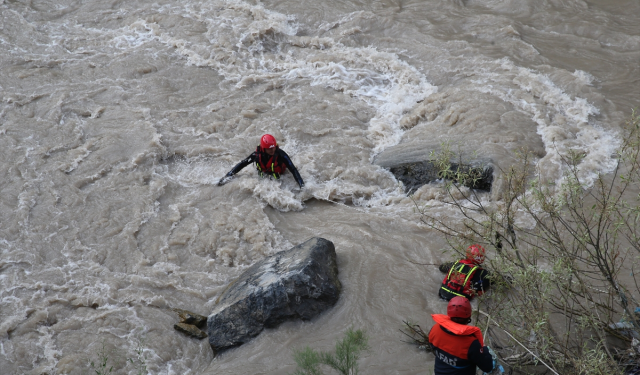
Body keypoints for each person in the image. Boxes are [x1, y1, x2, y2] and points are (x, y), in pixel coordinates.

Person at [429, 296, 500, 375]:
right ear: (469, 316)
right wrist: (484, 350)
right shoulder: (471, 343)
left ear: (449, 313)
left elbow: (433, 347)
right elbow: (488, 367)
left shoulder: (435, 329)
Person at [218, 134, 304, 188]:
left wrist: (301, 185)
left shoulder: (281, 154)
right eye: (269, 149)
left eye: (273, 147)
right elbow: (242, 164)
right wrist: (228, 176)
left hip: (279, 176)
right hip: (263, 174)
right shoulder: (256, 155)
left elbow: (293, 169)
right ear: (263, 148)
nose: (272, 150)